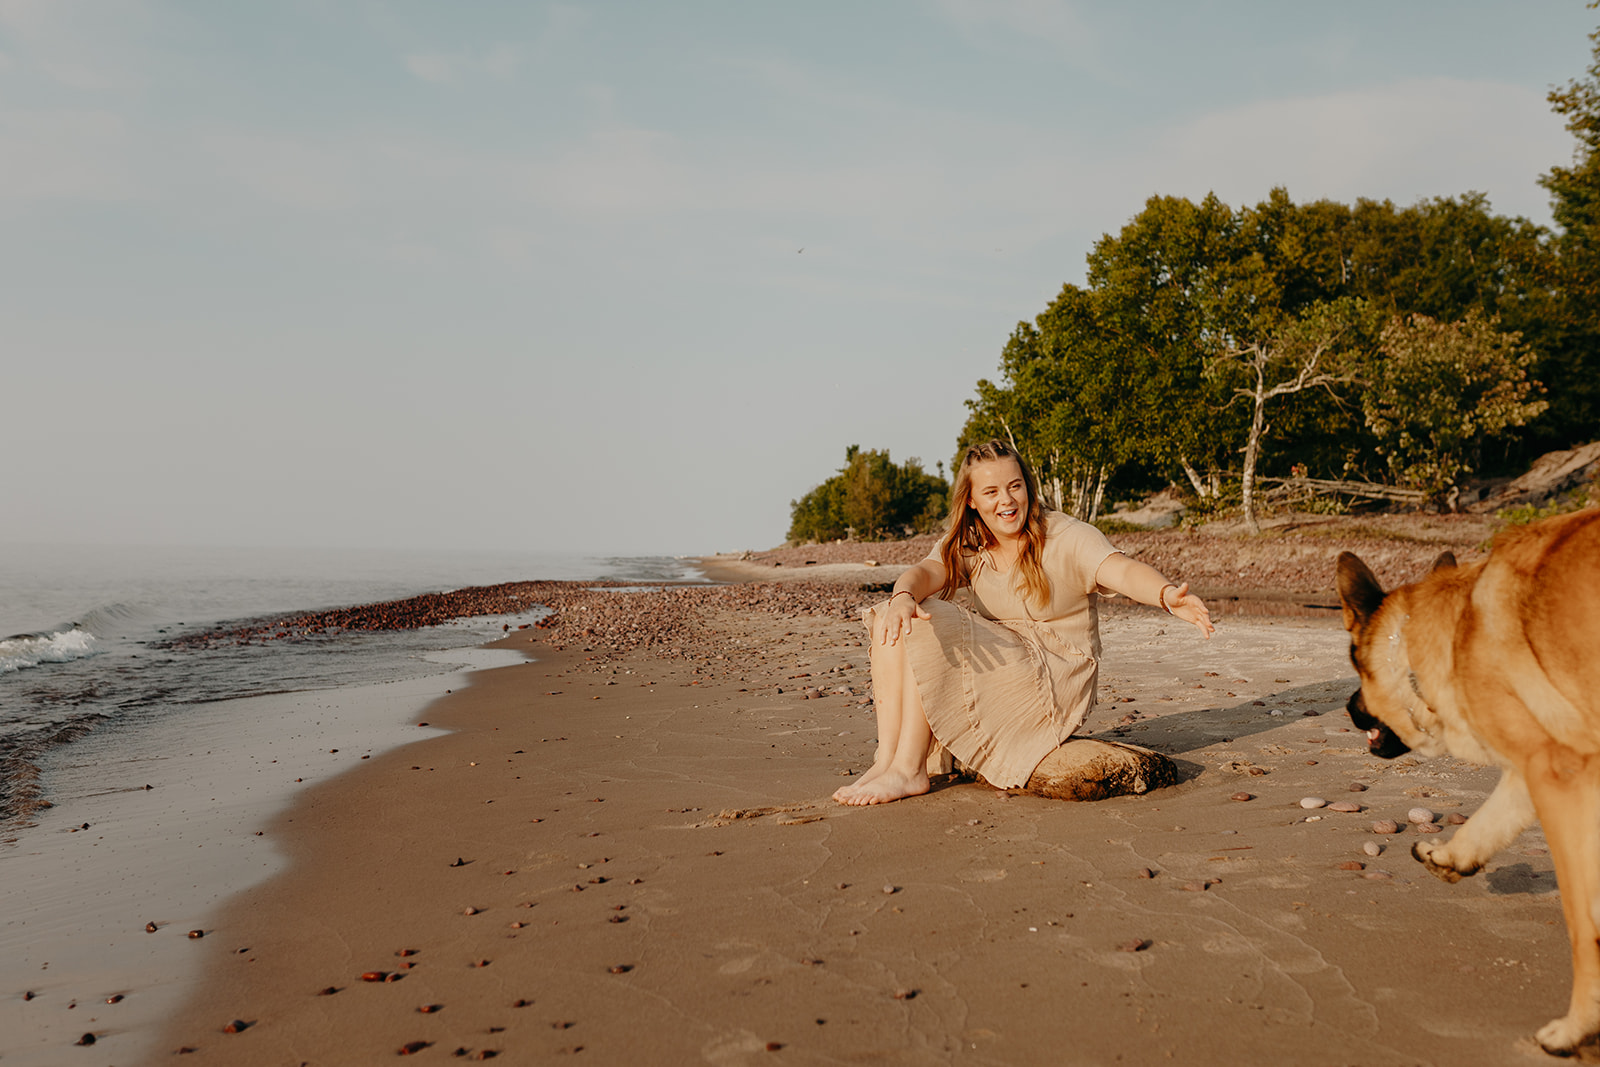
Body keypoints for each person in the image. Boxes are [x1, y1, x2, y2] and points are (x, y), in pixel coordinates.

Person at [832, 440, 1214, 806]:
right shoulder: (971, 540)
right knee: (894, 612)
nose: (1006, 501)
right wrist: (902, 596)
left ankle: (910, 769)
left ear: (1027, 487)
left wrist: (1165, 595)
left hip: (1057, 672)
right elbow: (926, 571)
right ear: (972, 499)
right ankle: (887, 759)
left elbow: (1123, 571)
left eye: (1015, 487)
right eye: (992, 492)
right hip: (1007, 658)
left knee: (932, 618)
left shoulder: (1064, 535)